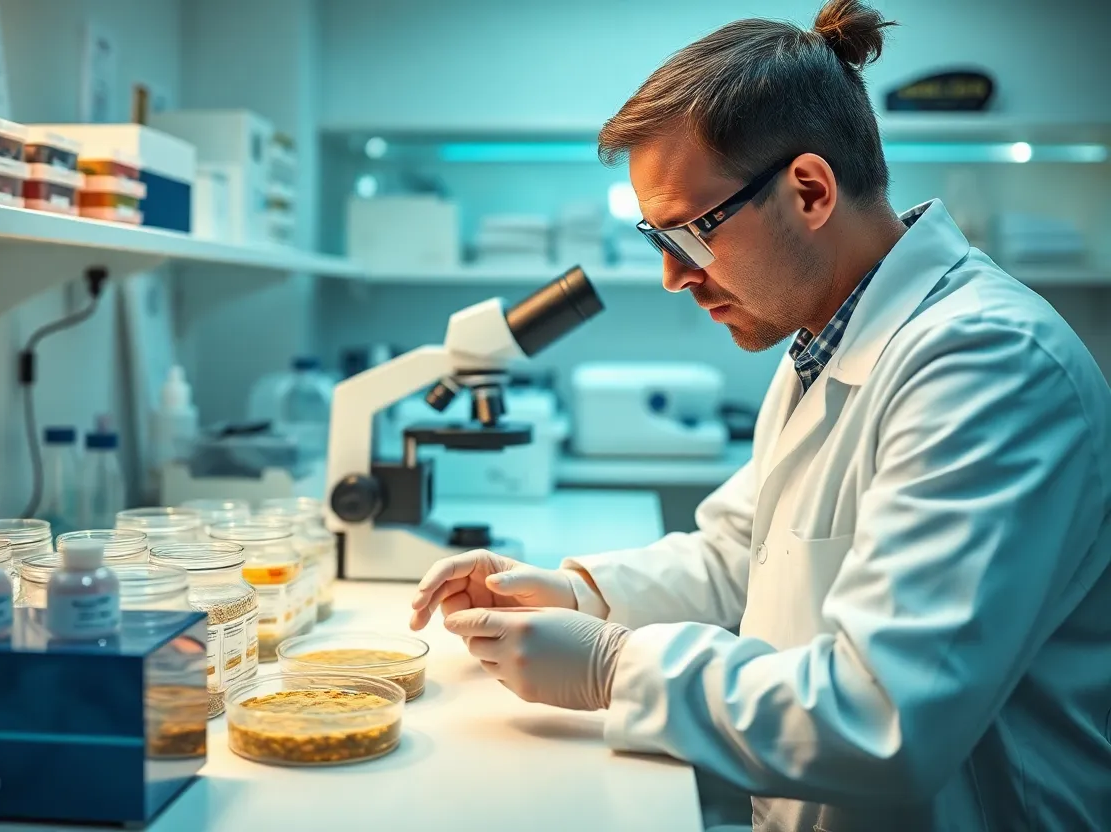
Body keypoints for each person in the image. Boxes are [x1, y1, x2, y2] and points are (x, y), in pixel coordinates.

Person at [408, 0, 1111, 829]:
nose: (674, 277)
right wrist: (577, 593)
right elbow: (745, 555)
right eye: (656, 240)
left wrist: (613, 667)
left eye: (691, 236)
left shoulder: (989, 365)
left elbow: (886, 719)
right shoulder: (824, 338)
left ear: (809, 190)